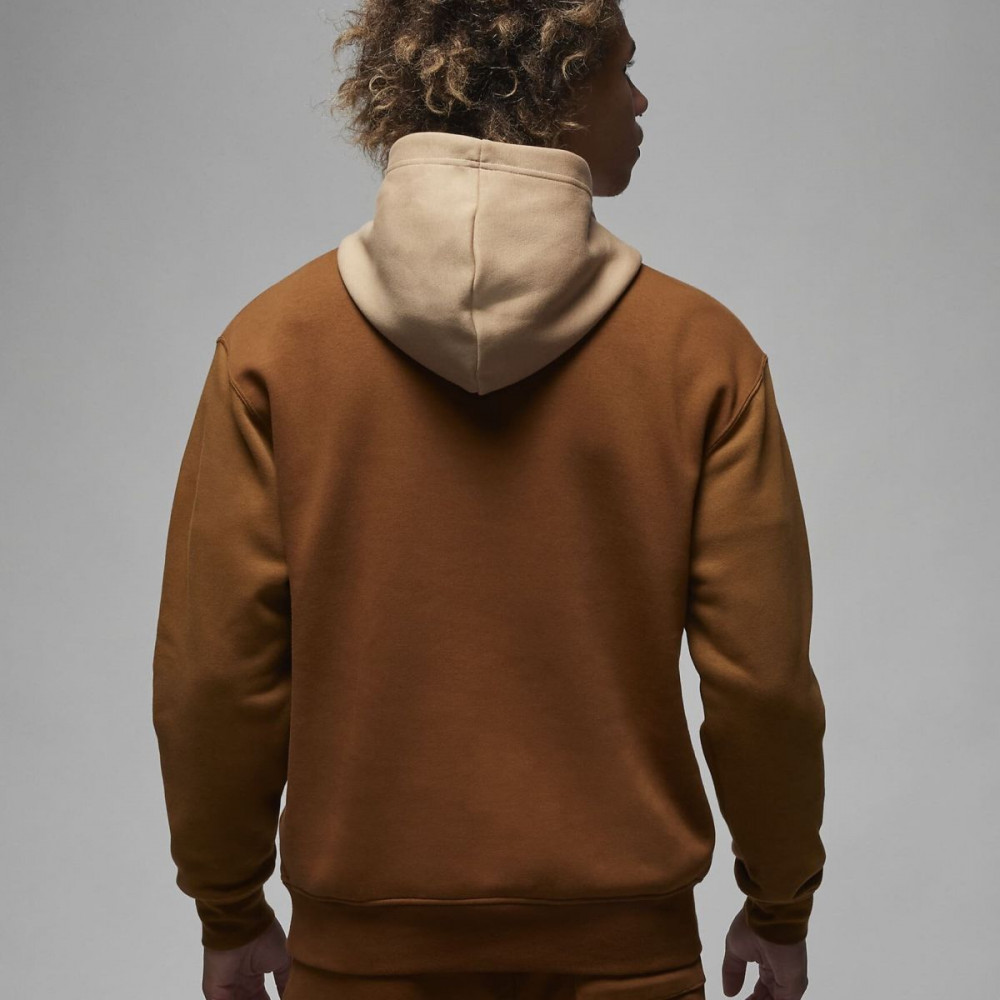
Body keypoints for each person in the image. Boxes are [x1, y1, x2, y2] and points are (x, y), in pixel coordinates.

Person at [151, 2, 826, 999]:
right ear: (554, 86)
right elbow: (760, 683)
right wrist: (778, 902)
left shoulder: (272, 348)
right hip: (624, 961)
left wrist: (229, 907)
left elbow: (215, 676)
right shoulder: (700, 353)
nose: (641, 100)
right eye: (619, 69)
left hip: (358, 963)